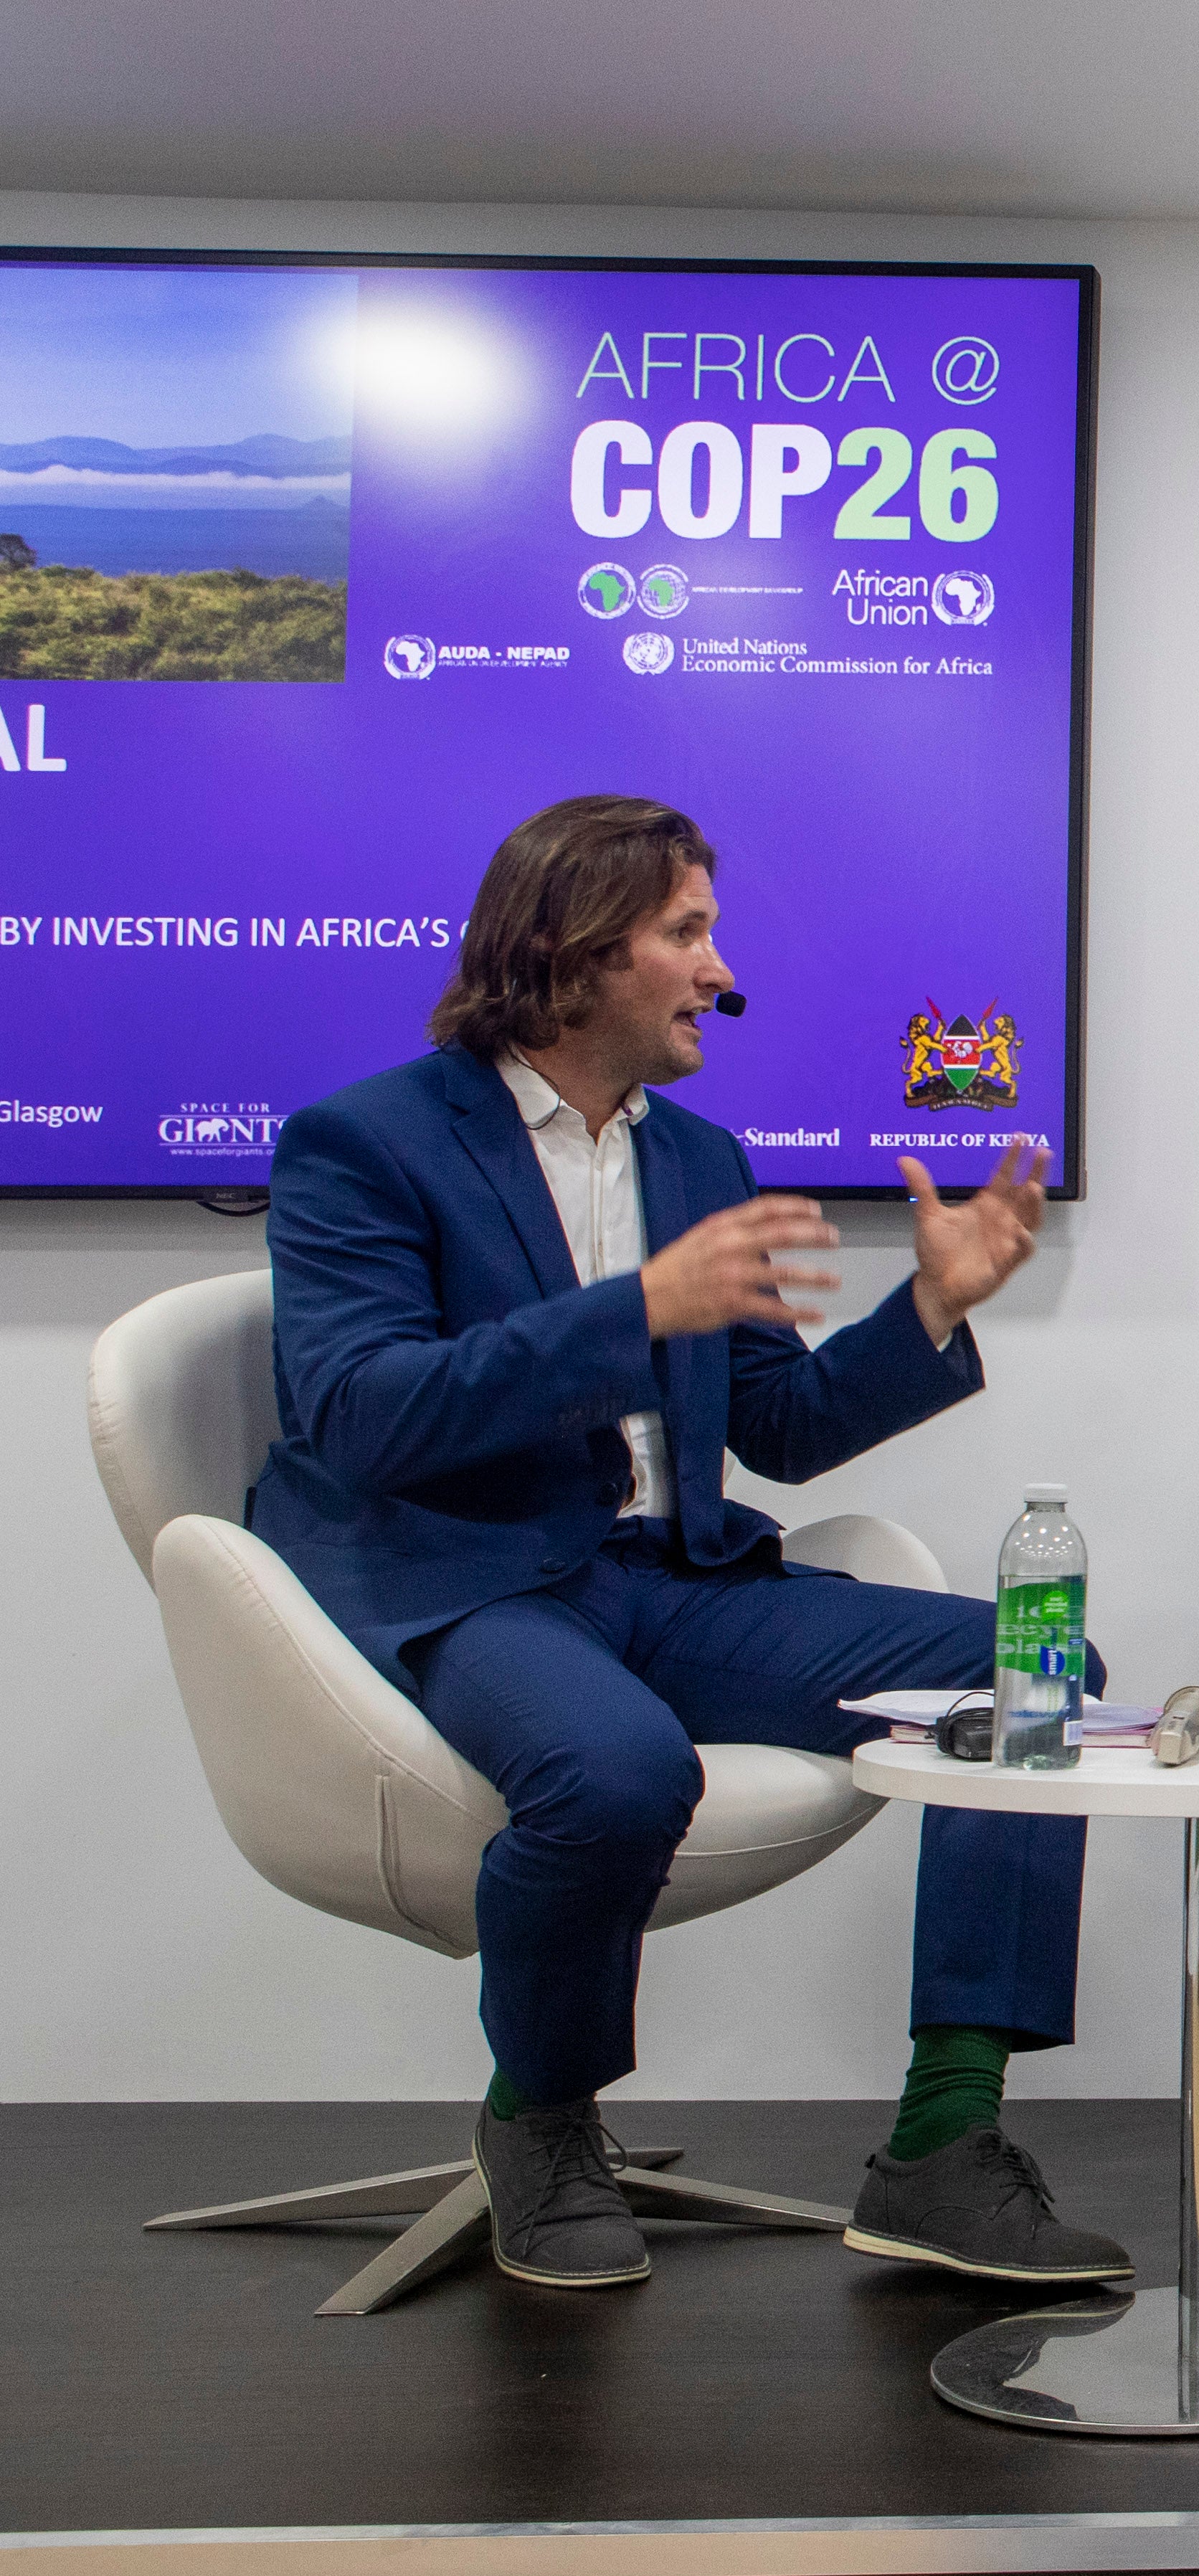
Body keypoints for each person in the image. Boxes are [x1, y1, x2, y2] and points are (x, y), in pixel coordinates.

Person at [255, 795, 1127, 2293]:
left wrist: (928, 1315)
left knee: (1037, 1669)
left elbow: (774, 1425)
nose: (721, 973)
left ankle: (942, 2141)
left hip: (678, 1576)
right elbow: (362, 1413)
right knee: (615, 1772)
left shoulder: (704, 1160)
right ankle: (540, 2113)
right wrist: (631, 1312)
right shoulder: (367, 1143)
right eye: (686, 934)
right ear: (570, 952)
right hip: (476, 1575)